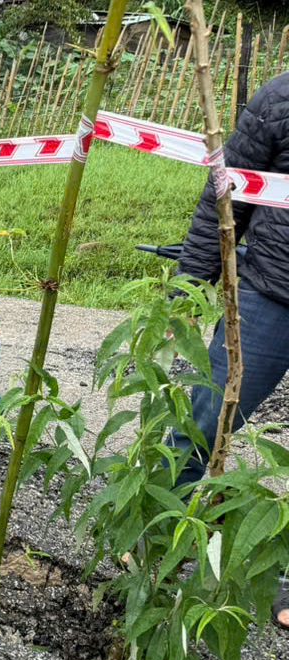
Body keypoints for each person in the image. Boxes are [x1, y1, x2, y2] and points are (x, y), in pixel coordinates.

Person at [170, 71, 289, 630]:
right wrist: (190, 285)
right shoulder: (281, 96)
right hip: (271, 289)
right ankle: (163, 536)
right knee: (207, 413)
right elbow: (226, 193)